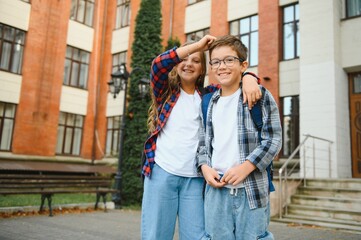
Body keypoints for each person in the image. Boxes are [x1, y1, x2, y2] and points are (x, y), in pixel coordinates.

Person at [141, 34, 261, 240]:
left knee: (198, 236)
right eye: (184, 59)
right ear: (177, 64)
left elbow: (234, 80)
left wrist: (250, 77)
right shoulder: (165, 92)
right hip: (162, 173)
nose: (189, 64)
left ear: (203, 69)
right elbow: (158, 65)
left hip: (196, 179)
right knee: (155, 235)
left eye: (196, 60)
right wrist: (197, 46)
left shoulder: (209, 95)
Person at [196, 35, 282, 240]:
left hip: (252, 191)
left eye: (228, 60)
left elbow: (273, 139)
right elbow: (203, 144)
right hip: (216, 192)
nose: (221, 67)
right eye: (215, 62)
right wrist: (204, 167)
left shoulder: (258, 96)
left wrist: (247, 166)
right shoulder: (208, 102)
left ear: (243, 65)